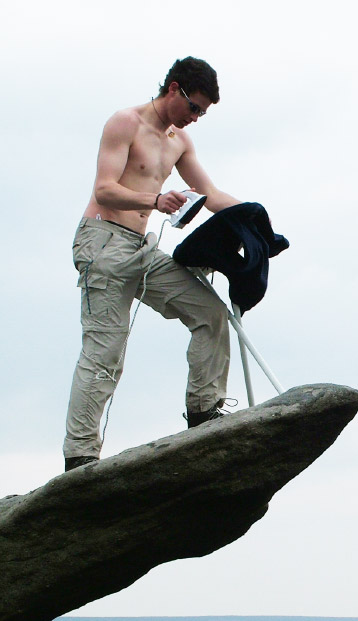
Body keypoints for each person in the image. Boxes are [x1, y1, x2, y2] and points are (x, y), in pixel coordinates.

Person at [63, 57, 240, 472]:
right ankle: (80, 457)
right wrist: (155, 201)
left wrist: (257, 218)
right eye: (194, 107)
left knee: (210, 313)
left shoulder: (179, 140)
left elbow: (209, 193)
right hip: (102, 243)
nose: (196, 118)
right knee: (105, 353)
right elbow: (105, 191)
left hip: (142, 249)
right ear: (174, 89)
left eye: (203, 113)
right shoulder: (125, 122)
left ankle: (203, 411)